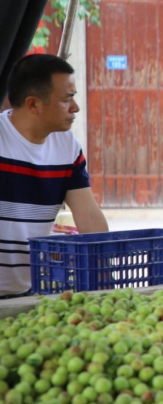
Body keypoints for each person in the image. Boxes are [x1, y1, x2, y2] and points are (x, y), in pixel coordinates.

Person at [0, 54, 108, 298]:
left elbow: (89, 218)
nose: (75, 108)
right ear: (33, 104)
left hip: (28, 291)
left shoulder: (67, 147)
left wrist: (106, 276)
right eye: (66, 99)